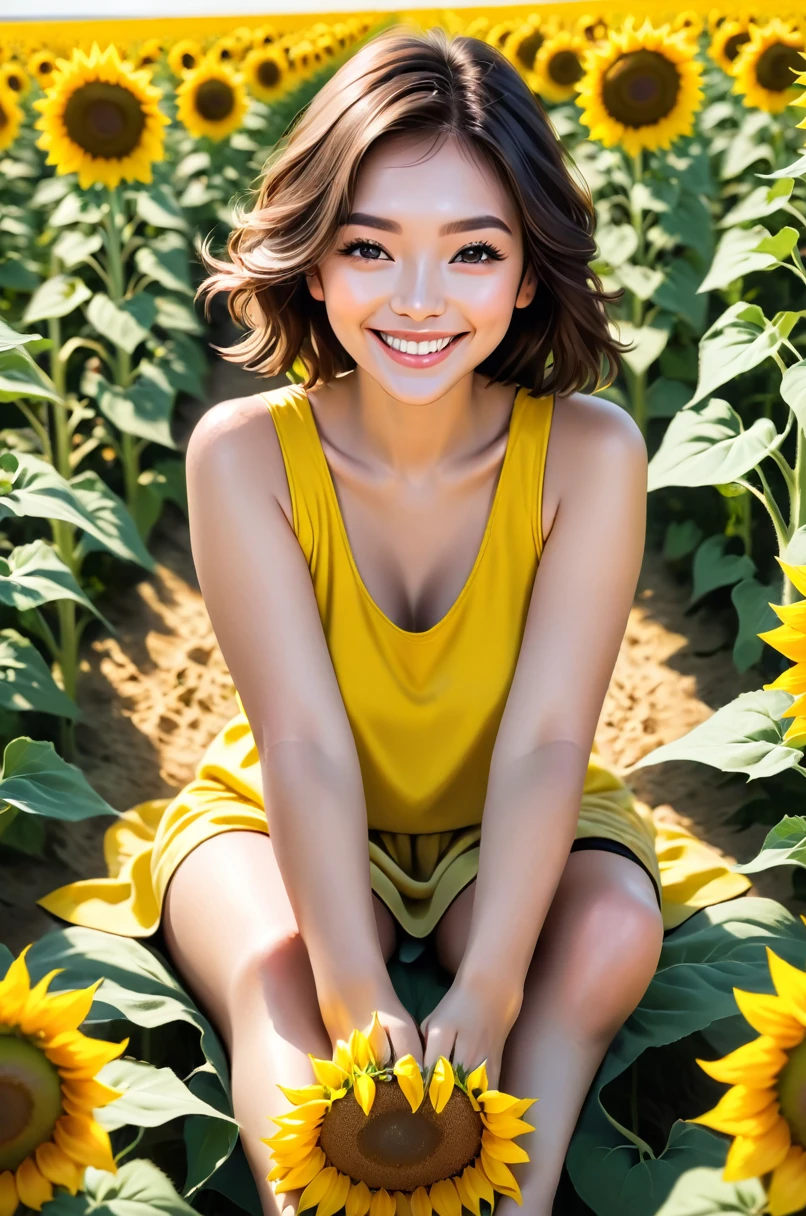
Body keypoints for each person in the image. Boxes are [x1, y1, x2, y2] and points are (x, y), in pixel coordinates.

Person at [39, 25, 751, 1216]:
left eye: (471, 252)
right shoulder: (244, 454)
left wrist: (490, 992)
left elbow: (541, 743)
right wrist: (358, 986)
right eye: (370, 245)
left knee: (604, 940)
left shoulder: (587, 451)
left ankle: (514, 1193)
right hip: (283, 805)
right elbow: (305, 745)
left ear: (529, 274)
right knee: (278, 970)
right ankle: (307, 1196)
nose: (418, 300)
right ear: (314, 263)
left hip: (511, 808)